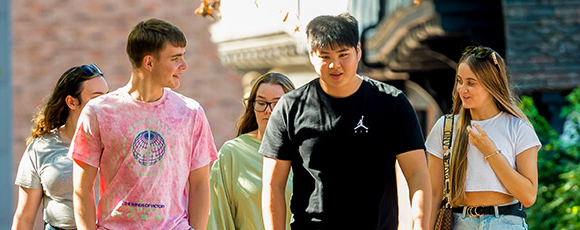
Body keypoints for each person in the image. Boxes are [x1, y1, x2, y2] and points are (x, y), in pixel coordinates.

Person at [260, 12, 433, 230]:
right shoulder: (289, 107)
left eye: (343, 54)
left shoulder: (392, 103)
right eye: (325, 56)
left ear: (358, 51)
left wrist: (420, 226)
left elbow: (417, 174)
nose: (335, 65)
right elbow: (273, 184)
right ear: (311, 56)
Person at [70, 18, 217, 230]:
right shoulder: (98, 112)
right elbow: (82, 188)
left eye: (183, 57)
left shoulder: (190, 112)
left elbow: (200, 184)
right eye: (175, 59)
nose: (184, 66)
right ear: (149, 63)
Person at [424, 46, 539, 230]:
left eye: (471, 83)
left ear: (491, 84)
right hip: (459, 223)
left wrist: (490, 152)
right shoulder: (445, 127)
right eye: (460, 81)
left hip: (506, 223)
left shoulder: (519, 128)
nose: (462, 89)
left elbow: (528, 196)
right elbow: (435, 194)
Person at [12, 64, 110, 230]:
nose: (105, 104)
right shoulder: (41, 147)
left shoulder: (115, 142)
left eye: (107, 97)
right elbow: (24, 217)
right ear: (72, 102)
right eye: (97, 98)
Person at [209, 73, 296, 230]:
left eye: (277, 104)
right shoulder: (232, 153)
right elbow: (217, 218)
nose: (268, 111)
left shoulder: (305, 152)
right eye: (261, 103)